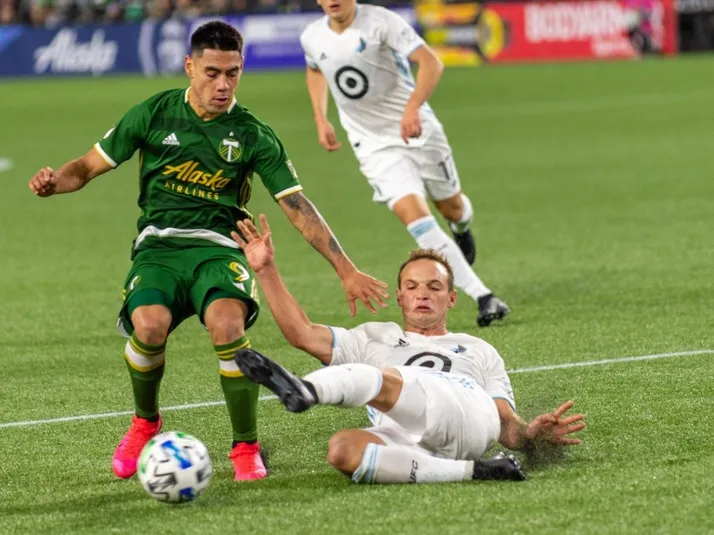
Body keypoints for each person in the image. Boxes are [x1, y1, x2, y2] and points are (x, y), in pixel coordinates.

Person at [27, 21, 388, 482]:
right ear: (189, 66)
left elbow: (296, 206)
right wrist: (55, 182)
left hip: (220, 249)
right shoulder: (154, 113)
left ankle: (245, 447)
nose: (222, 85)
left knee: (227, 326)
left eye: (232, 74)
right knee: (149, 326)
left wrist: (346, 269)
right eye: (212, 72)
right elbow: (86, 166)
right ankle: (145, 422)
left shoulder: (253, 133)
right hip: (159, 247)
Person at [229, 215, 586, 484]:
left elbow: (505, 424)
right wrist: (266, 270)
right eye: (412, 287)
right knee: (342, 449)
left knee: (386, 377)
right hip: (409, 436)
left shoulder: (479, 349)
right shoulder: (373, 337)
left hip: (468, 410)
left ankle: (307, 390)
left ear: (451, 298)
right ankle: (474, 471)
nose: (422, 294)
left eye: (434, 287)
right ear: (399, 296)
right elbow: (301, 334)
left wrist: (530, 436)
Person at [299, 0, 509, 327]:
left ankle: (461, 227)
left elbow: (431, 63)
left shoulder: (382, 22)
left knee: (452, 207)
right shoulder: (312, 36)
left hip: (419, 132)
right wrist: (319, 117)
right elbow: (315, 70)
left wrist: (412, 107)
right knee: (418, 221)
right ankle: (484, 296)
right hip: (374, 147)